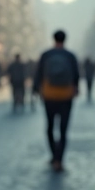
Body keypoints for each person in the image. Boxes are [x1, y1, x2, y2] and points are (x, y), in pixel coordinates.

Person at [34, 30, 79, 172]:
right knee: (63, 129)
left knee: (50, 126)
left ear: (53, 39)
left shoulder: (46, 55)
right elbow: (76, 75)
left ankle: (54, 155)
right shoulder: (70, 56)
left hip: (49, 95)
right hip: (66, 95)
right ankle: (60, 160)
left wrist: (37, 90)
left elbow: (39, 74)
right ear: (65, 40)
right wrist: (75, 89)